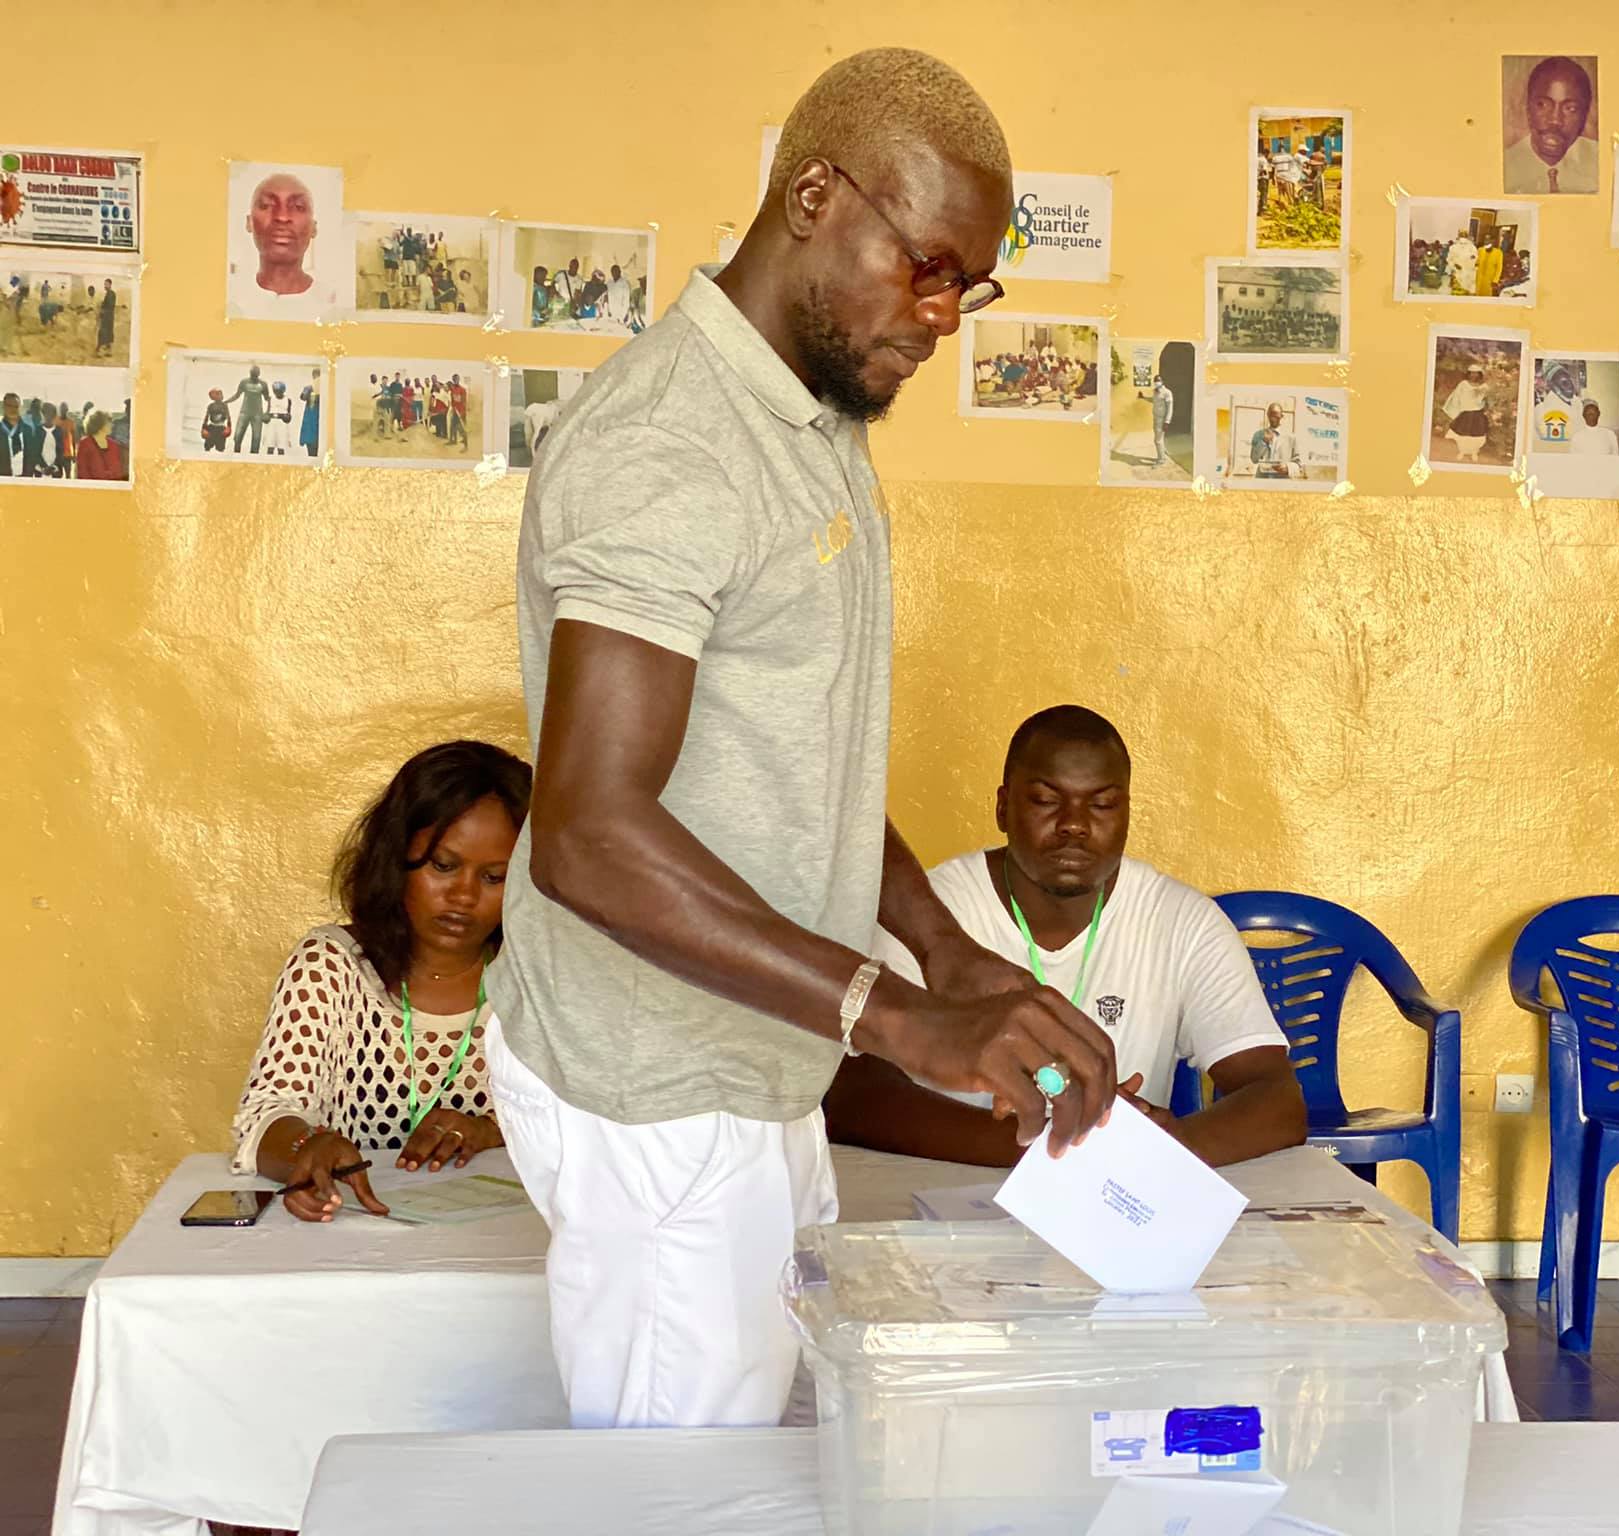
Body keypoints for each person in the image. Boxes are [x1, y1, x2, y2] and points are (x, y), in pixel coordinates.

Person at [486, 46, 1114, 1434]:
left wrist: (948, 954)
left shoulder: (814, 415)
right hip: (657, 1083)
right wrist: (889, 1010)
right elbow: (589, 833)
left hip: (759, 1050)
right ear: (816, 198)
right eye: (930, 265)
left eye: (972, 283)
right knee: (673, 1495)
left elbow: (794, 758)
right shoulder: (673, 446)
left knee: (755, 1454)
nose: (946, 316)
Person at [826, 708, 1307, 1168]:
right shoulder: (928, 916)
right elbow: (851, 1094)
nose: (1074, 824)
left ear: (1127, 814)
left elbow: (1276, 1098)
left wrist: (1164, 1147)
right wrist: (1053, 1148)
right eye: (1045, 800)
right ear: (1002, 806)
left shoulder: (1182, 921)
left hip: (1108, 1207)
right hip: (952, 1198)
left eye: (1101, 804)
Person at [230, 742, 532, 1221]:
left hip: (502, 1242)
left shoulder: (536, 979)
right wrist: (310, 1147)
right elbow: (266, 1117)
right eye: (443, 866)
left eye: (494, 877)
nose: (463, 894)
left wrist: (489, 1131)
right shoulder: (334, 965)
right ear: (396, 859)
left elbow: (591, 1125)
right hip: (348, 1233)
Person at [1504, 55, 1597, 194]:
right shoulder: (1504, 168)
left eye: (1570, 109)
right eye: (1543, 105)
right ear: (1528, 108)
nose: (1555, 120)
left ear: (1585, 115)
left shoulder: (1603, 163)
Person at [245, 171, 318, 297]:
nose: (282, 217)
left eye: (298, 206)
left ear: (314, 228)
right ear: (249, 222)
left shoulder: (334, 303)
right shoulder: (229, 296)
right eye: (266, 205)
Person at [1440, 360, 1493, 462]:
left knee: (1477, 434)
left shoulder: (1484, 387)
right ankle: (1462, 452)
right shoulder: (1463, 384)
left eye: (1476, 373)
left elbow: (1486, 399)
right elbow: (1456, 396)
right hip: (1466, 413)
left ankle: (1474, 453)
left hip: (1477, 413)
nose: (1473, 375)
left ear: (1479, 374)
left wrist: (1487, 403)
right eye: (1471, 373)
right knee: (1463, 434)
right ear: (1468, 374)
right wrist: (1456, 409)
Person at [1, 392, 50, 477]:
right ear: (3, 407)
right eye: (9, 406)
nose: (13, 409)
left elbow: (34, 454)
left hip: (25, 480)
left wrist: (44, 467)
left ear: (20, 407)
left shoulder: (27, 430)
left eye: (16, 406)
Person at [1247, 400, 1298, 475]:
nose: (1273, 418)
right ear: (1267, 415)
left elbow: (1298, 463)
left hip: (1283, 480)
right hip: (1262, 480)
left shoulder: (1291, 437)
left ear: (1281, 416)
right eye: (1271, 415)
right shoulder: (1258, 435)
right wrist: (1263, 443)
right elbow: (1254, 459)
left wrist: (1288, 467)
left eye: (1276, 415)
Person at [74, 410, 124, 481]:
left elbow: (118, 472)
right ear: (99, 424)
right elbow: (82, 472)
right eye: (109, 422)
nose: (112, 425)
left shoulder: (114, 445)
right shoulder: (85, 444)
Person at [229, 364, 268, 454]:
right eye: (252, 374)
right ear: (250, 374)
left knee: (256, 437)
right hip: (244, 412)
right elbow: (237, 395)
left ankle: (254, 457)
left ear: (259, 374)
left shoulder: (263, 384)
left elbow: (267, 398)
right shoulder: (244, 382)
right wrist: (226, 402)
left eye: (255, 375)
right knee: (238, 436)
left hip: (257, 413)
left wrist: (268, 412)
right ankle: (236, 454)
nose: (254, 376)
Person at [1149, 364, 1174, 466]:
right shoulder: (1155, 392)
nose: (1156, 382)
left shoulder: (1167, 393)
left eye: (1158, 380)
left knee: (1157, 440)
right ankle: (1162, 456)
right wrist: (1143, 398)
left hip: (1162, 419)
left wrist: (1167, 421)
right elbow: (1153, 401)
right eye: (1155, 380)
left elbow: (1170, 408)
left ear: (1162, 381)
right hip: (1155, 418)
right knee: (1159, 439)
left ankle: (1161, 460)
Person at [264, 378, 295, 455]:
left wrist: (287, 417)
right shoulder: (271, 399)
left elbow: (289, 413)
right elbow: (267, 411)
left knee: (281, 447)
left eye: (279, 391)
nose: (277, 393)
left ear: (283, 391)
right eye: (275, 391)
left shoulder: (288, 400)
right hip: (272, 423)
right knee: (270, 447)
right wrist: (265, 417)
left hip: (282, 424)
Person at [1447, 228, 1479, 295]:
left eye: (1464, 235)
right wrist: (1454, 265)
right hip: (1457, 273)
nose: (1463, 237)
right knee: (1456, 294)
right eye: (1461, 235)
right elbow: (1449, 259)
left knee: (1467, 293)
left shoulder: (1472, 247)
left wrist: (1472, 261)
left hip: (1468, 274)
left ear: (1467, 236)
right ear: (1458, 236)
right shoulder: (1453, 247)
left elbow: (1476, 260)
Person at [1475, 230, 1504, 297]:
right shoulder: (1480, 250)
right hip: (1479, 277)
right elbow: (1477, 262)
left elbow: (1499, 268)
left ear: (1493, 242)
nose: (1486, 241)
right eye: (1485, 240)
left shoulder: (1498, 253)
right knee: (1477, 294)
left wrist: (1495, 280)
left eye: (1489, 240)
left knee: (1486, 295)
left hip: (1490, 279)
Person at [300, 372, 322, 457]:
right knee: (311, 443)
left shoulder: (325, 388)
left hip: (317, 418)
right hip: (311, 418)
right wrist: (311, 389)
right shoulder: (309, 388)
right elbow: (302, 397)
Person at [95, 280, 117, 359]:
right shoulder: (110, 294)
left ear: (110, 285)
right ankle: (108, 351)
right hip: (109, 317)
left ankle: (98, 351)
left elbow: (110, 306)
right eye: (104, 284)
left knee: (102, 333)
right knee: (108, 333)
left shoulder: (110, 294)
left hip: (107, 317)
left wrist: (102, 311)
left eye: (106, 284)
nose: (105, 286)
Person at [447, 373, 469, 449]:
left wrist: (462, 412)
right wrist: (453, 409)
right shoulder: (452, 390)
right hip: (455, 411)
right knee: (452, 426)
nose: (455, 380)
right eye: (454, 379)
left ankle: (466, 445)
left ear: (458, 380)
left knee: (462, 428)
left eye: (456, 379)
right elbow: (453, 401)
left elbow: (464, 402)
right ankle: (452, 441)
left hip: (461, 412)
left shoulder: (462, 389)